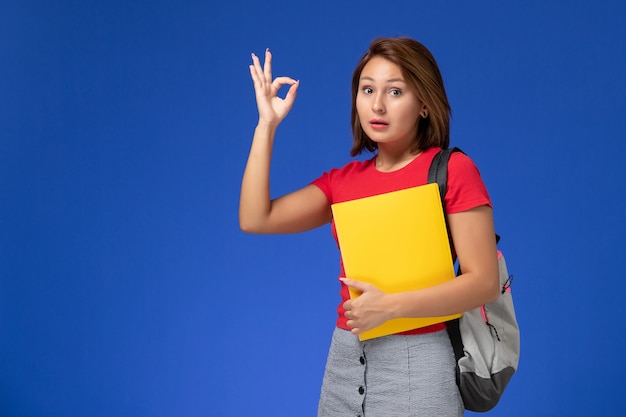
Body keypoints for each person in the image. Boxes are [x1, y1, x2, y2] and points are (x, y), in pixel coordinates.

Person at [240, 37, 500, 417]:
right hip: (346, 358)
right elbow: (254, 218)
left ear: (425, 104)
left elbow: (484, 283)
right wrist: (266, 125)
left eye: (395, 91)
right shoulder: (341, 182)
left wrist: (391, 307)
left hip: (419, 362)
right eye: (367, 90)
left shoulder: (451, 171)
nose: (377, 105)